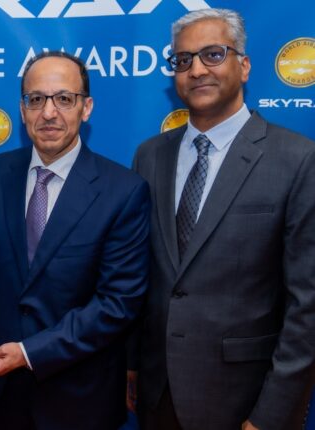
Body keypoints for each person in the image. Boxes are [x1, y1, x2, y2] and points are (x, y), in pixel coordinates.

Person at [129, 8, 315, 430]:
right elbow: (143, 275)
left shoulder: (298, 160)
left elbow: (307, 308)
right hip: (157, 396)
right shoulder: (149, 156)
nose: (196, 70)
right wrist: (131, 363)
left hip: (246, 402)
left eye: (212, 54)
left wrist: (271, 417)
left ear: (244, 65)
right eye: (183, 60)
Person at [0, 51, 150, 430]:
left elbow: (117, 303)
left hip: (78, 400)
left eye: (64, 98)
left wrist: (29, 352)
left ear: (86, 107)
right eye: (36, 99)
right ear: (22, 110)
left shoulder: (124, 190)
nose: (49, 113)